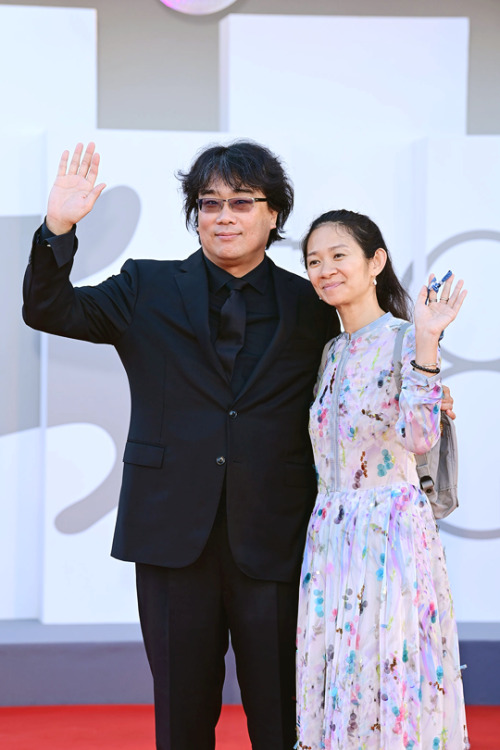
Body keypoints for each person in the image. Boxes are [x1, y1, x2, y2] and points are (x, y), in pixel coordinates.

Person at [22, 141, 339, 750]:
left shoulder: (311, 303)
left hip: (277, 537)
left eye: (242, 202)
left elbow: (360, 380)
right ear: (194, 213)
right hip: (171, 537)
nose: (224, 215)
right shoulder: (147, 284)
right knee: (181, 717)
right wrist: (58, 227)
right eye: (209, 202)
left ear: (274, 215)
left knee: (282, 719)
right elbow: (48, 309)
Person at [295, 209, 469, 749]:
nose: (325, 270)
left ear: (376, 262)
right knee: (341, 667)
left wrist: (427, 341)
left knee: (390, 664)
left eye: (338, 256)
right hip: (331, 530)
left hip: (390, 531)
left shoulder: (404, 338)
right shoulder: (330, 350)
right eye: (314, 261)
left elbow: (419, 438)